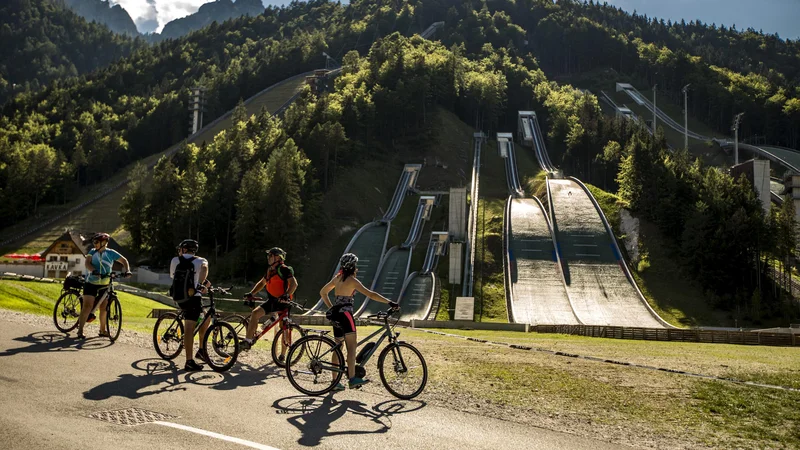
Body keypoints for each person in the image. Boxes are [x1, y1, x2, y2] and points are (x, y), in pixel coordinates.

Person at [320, 253, 398, 391]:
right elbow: (371, 294)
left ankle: (334, 381)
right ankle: (352, 378)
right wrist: (390, 302)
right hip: (346, 315)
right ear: (352, 266)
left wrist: (331, 307)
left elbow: (323, 292)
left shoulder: (337, 279)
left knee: (338, 347)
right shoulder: (352, 281)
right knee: (352, 347)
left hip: (336, 314)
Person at [241, 247, 297, 360]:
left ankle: (283, 354)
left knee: (284, 327)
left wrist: (287, 294)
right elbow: (262, 283)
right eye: (268, 256)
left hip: (283, 302)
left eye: (270, 256)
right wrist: (251, 293)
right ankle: (248, 340)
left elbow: (294, 284)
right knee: (255, 313)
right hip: (272, 300)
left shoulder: (284, 269)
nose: (268, 258)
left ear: (278, 257)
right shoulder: (270, 270)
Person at [77, 233, 131, 340]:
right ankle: (80, 330)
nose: (95, 244)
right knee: (87, 306)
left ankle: (102, 330)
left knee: (104, 307)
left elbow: (124, 260)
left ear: (104, 243)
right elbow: (87, 263)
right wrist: (94, 271)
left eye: (97, 242)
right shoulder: (92, 252)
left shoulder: (110, 253)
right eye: (94, 242)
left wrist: (127, 270)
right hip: (91, 282)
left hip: (105, 283)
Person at [169, 239, 211, 371]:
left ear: (184, 249)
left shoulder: (175, 260)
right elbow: (204, 269)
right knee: (189, 327)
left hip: (179, 296)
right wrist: (201, 284)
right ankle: (189, 361)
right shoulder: (201, 261)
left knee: (206, 318)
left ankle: (201, 350)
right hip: (193, 298)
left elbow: (172, 276)